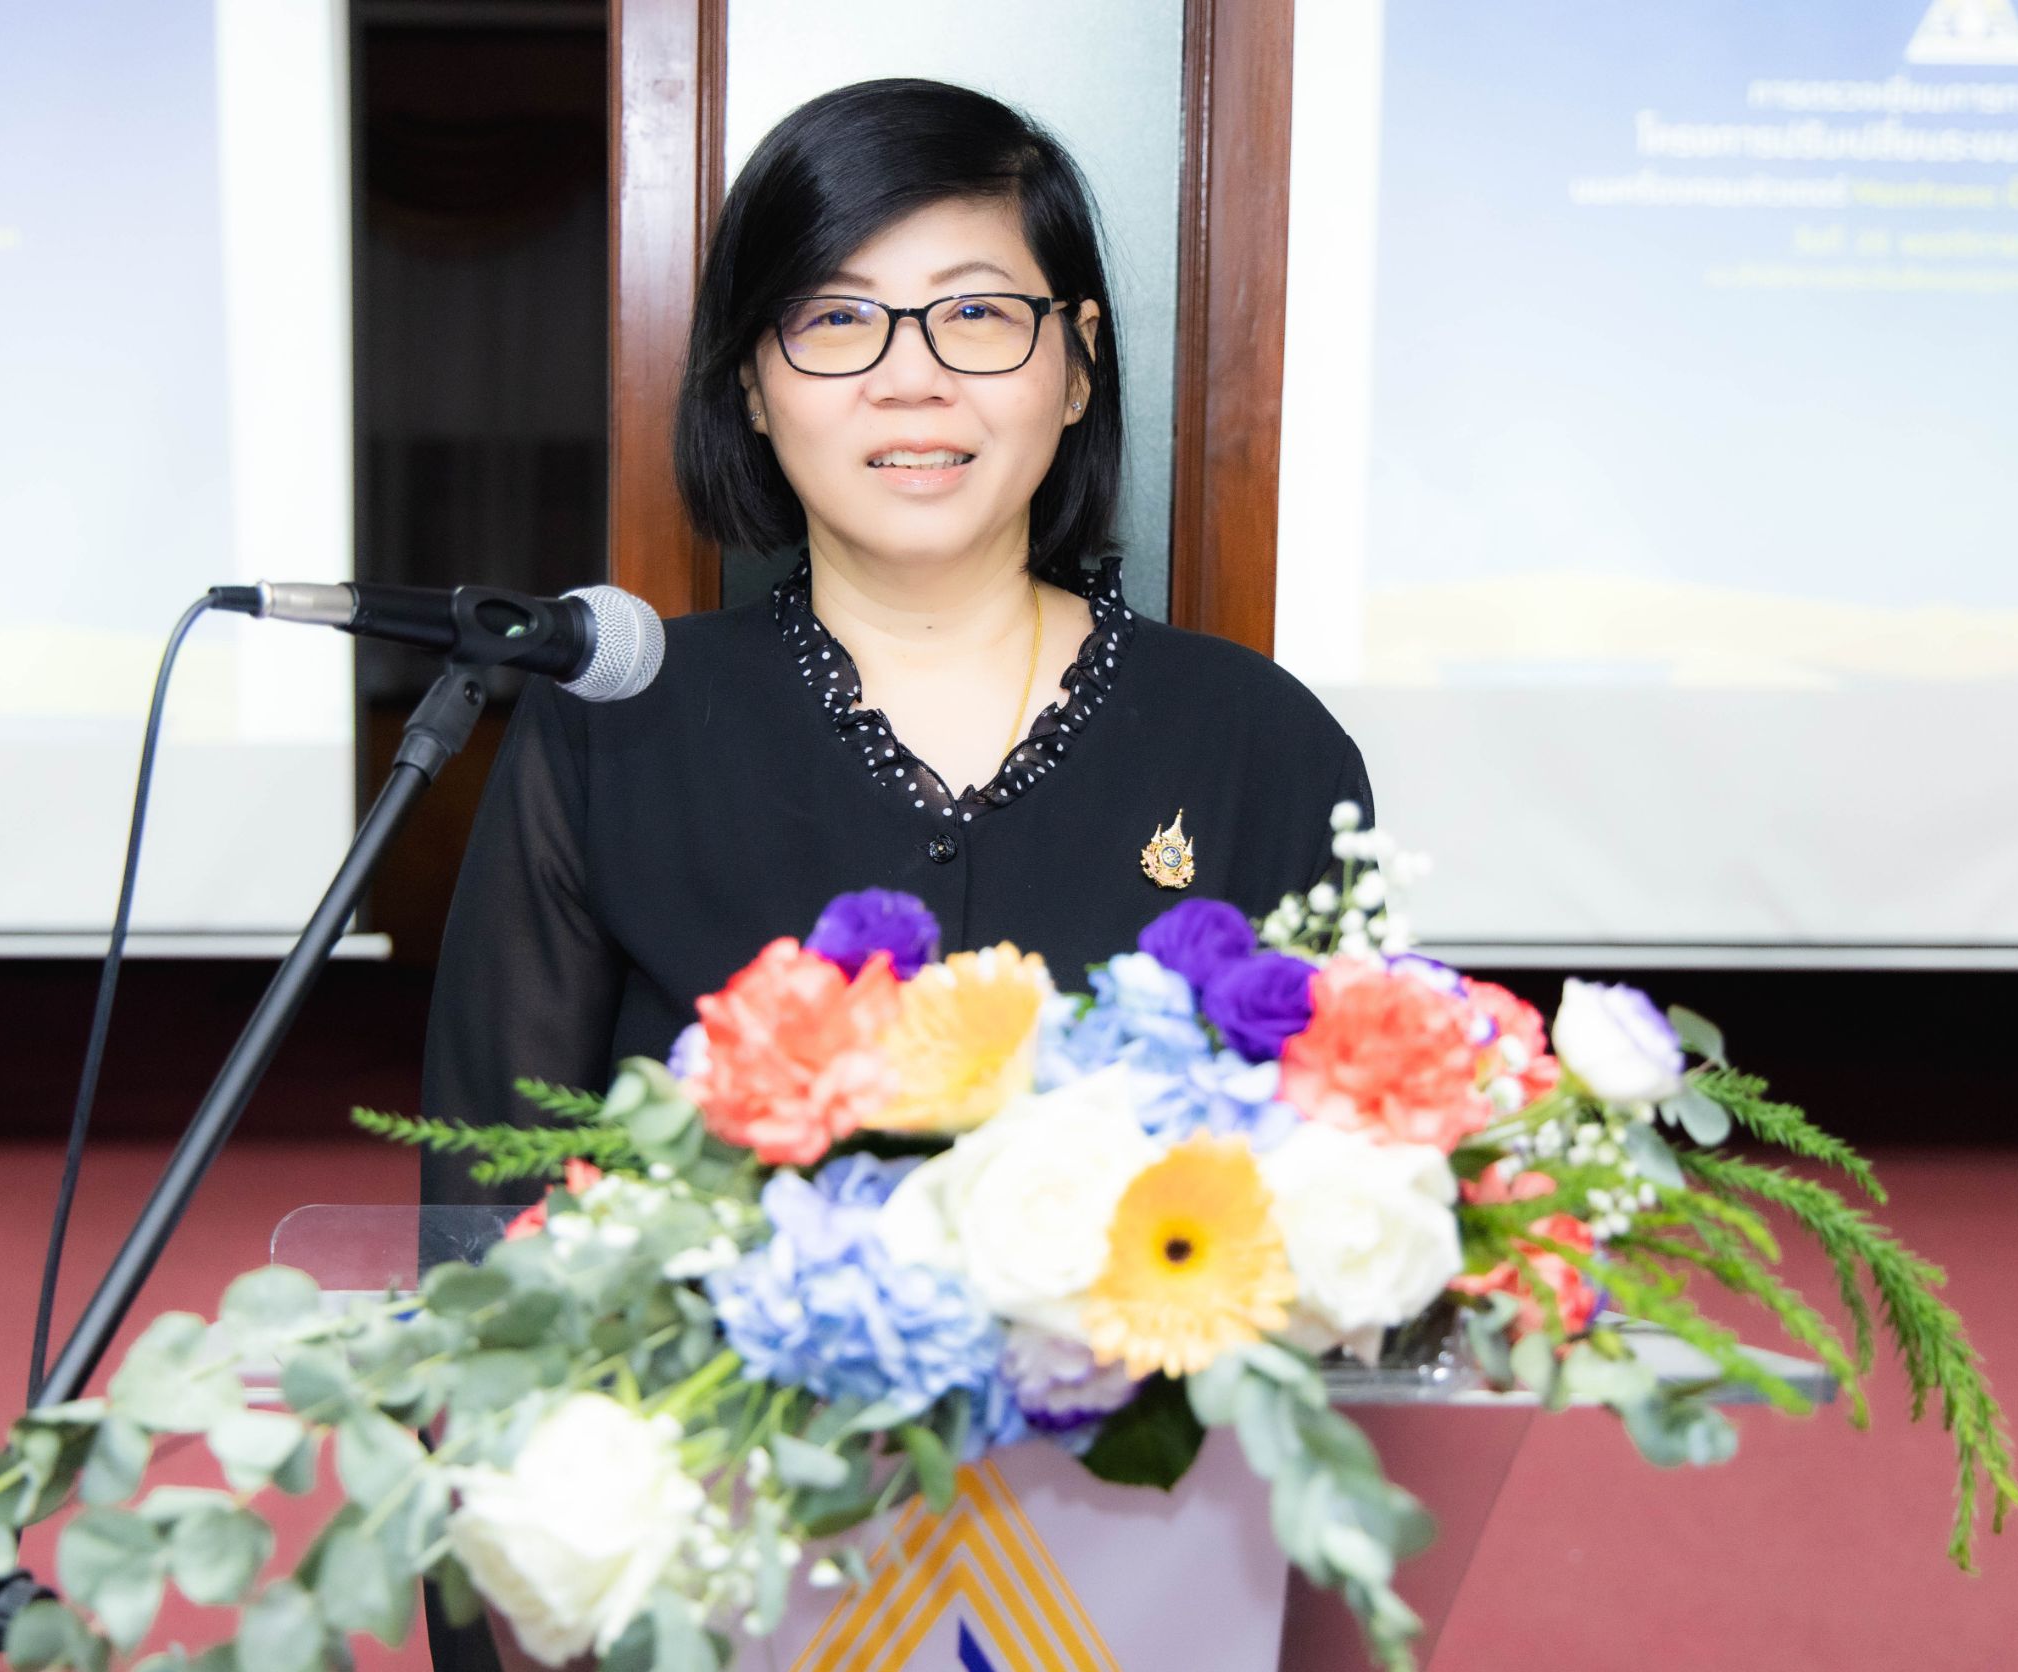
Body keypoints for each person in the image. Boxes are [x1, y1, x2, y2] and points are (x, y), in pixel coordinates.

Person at [420, 77, 1368, 1668]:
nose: (911, 378)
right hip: (720, 1600)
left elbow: (1353, 1242)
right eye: (836, 320)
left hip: (1151, 1595)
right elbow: (483, 1233)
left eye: (978, 315)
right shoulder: (610, 733)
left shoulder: (1257, 744)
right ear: (751, 382)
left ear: (1077, 364)